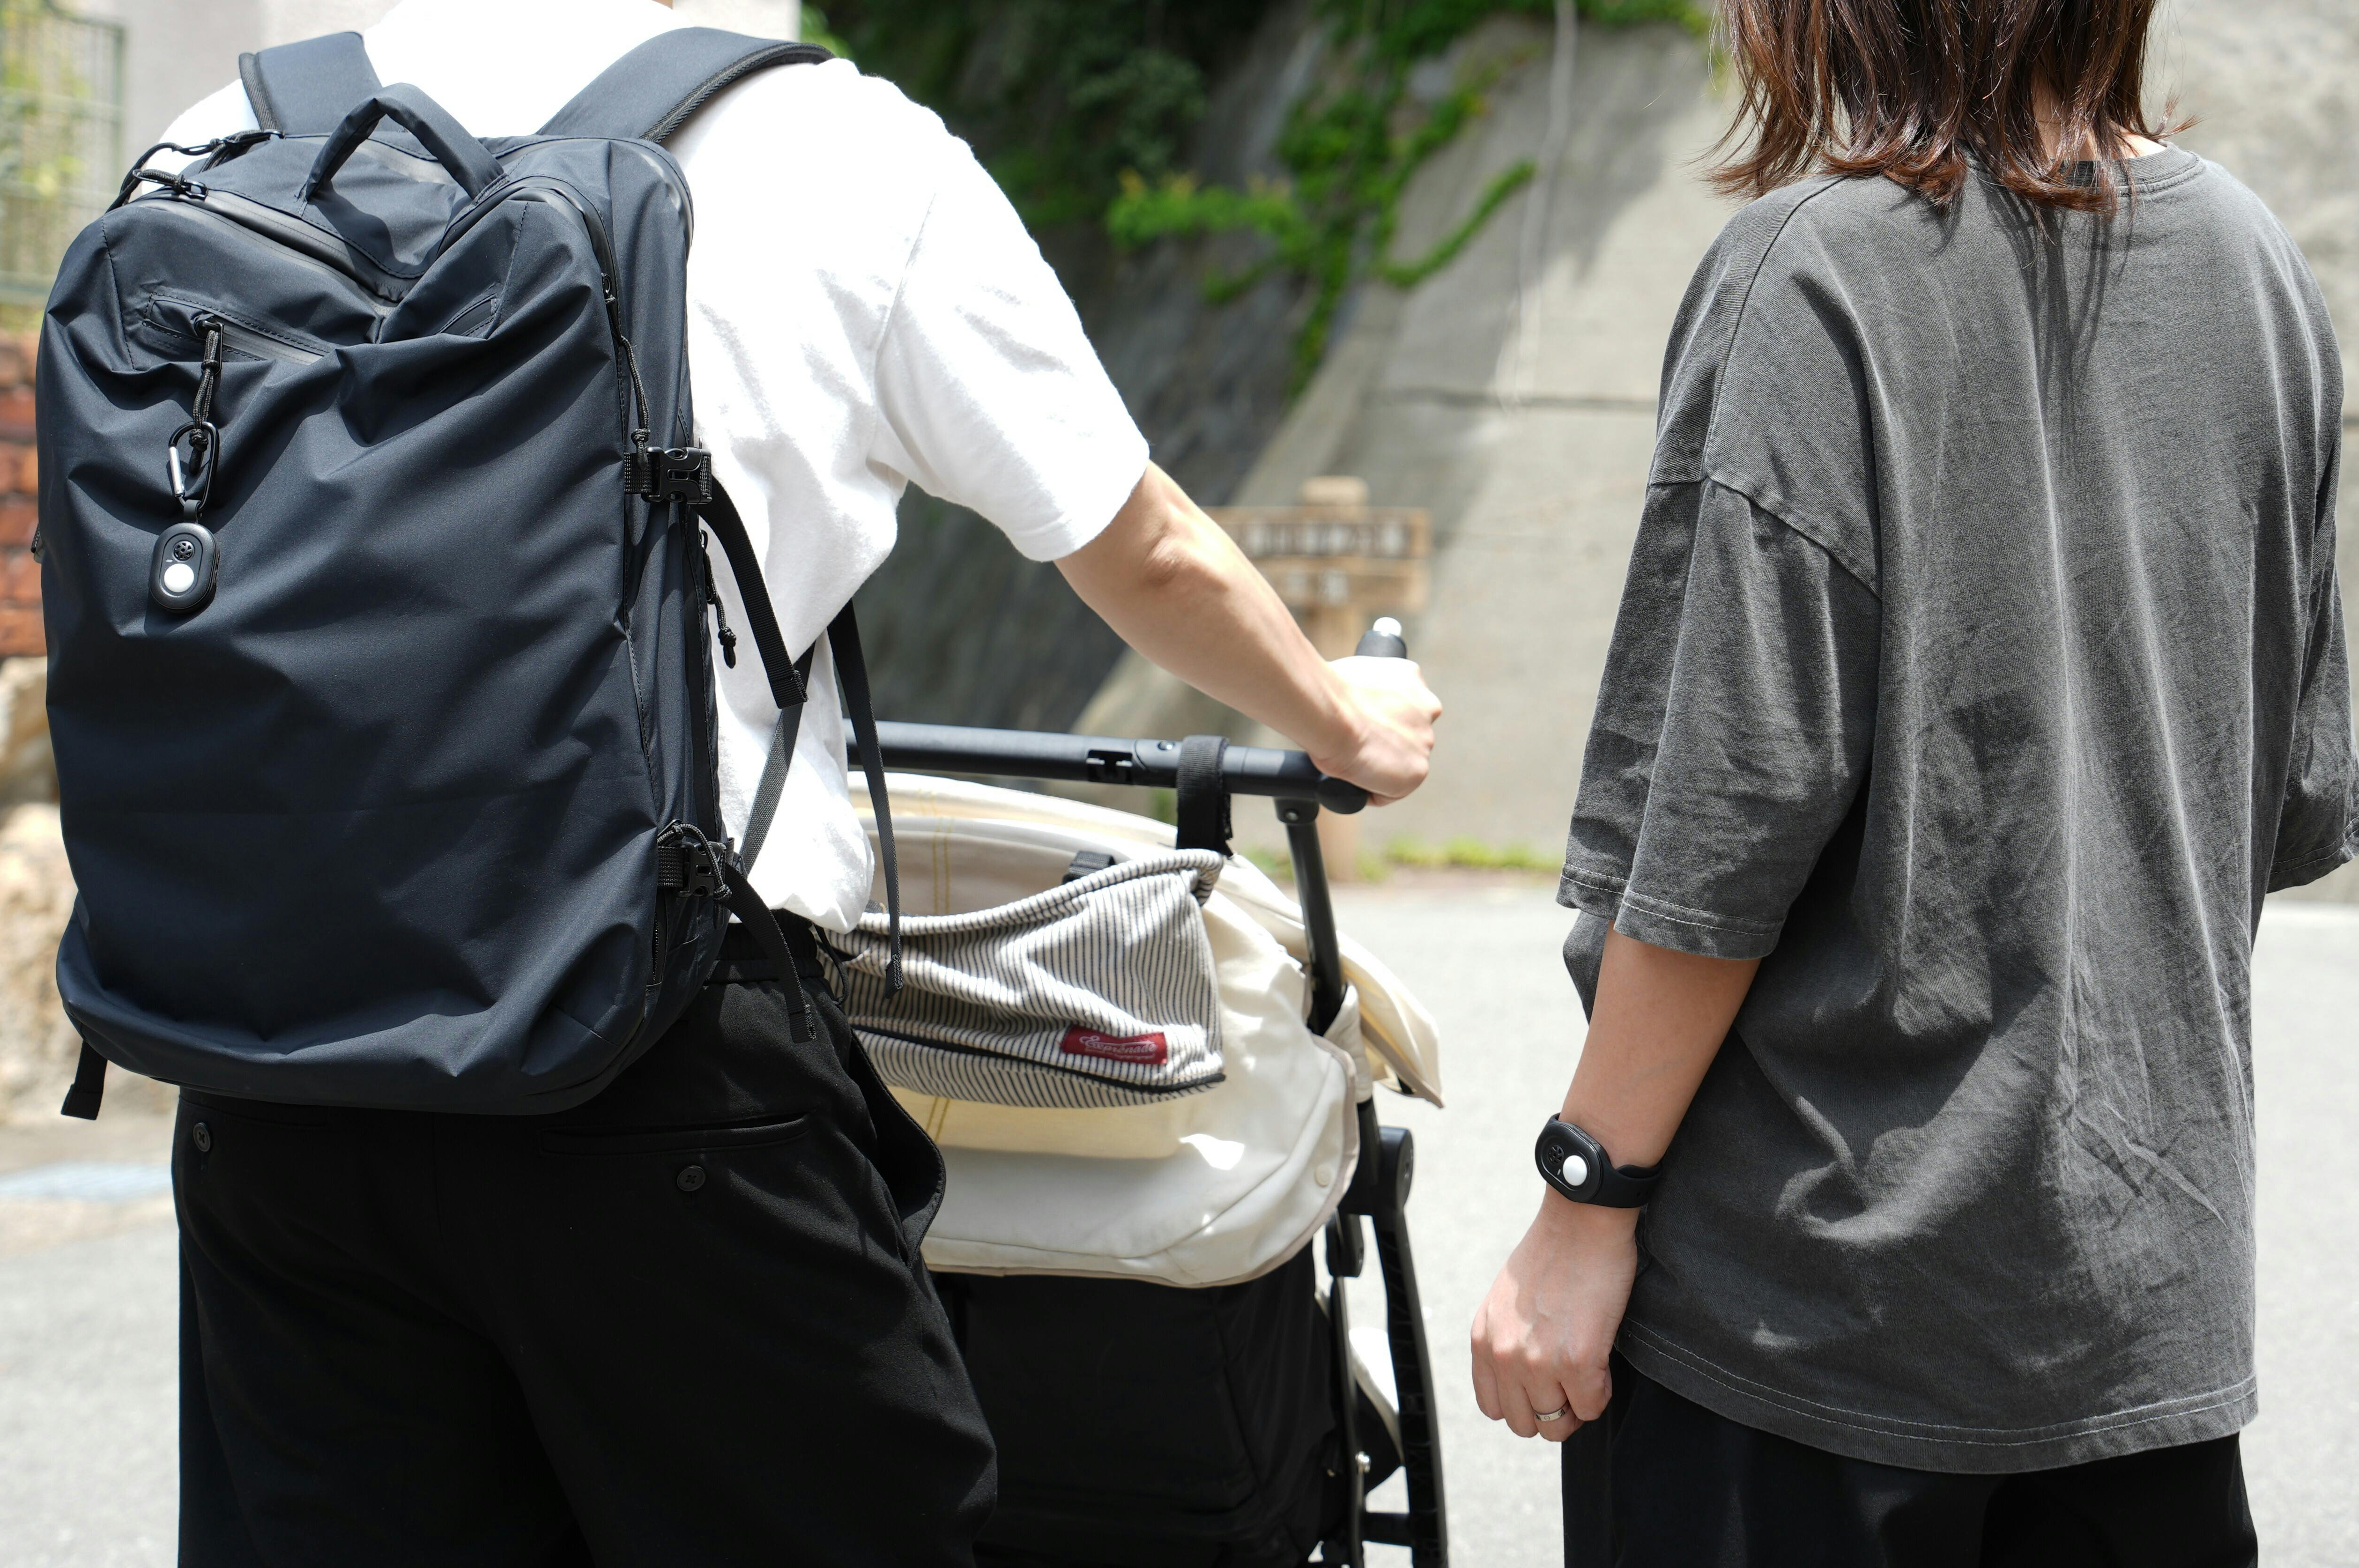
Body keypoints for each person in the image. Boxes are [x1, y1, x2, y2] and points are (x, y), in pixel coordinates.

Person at [146, 2, 1440, 1563]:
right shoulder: (832, 147)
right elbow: (1140, 543)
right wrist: (1342, 719)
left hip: (274, 1070)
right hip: (647, 1057)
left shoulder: (227, 136)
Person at [1470, 0, 2357, 1562]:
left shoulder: (1814, 274)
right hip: (2143, 1321)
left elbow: (1717, 834)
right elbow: (2276, 796)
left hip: (1809, 1327)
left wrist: (1583, 1201)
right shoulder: (2258, 269)